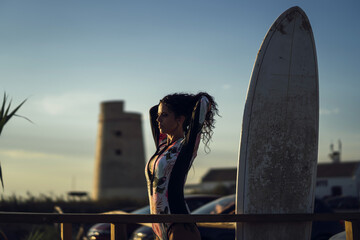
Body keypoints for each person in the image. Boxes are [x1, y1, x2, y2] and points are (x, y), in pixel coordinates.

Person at [145, 92, 218, 240]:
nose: (158, 119)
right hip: (158, 226)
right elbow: (153, 111)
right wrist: (165, 106)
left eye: (164, 115)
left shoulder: (186, 147)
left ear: (180, 119)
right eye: (160, 115)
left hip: (179, 225)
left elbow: (203, 102)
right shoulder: (161, 146)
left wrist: (191, 102)